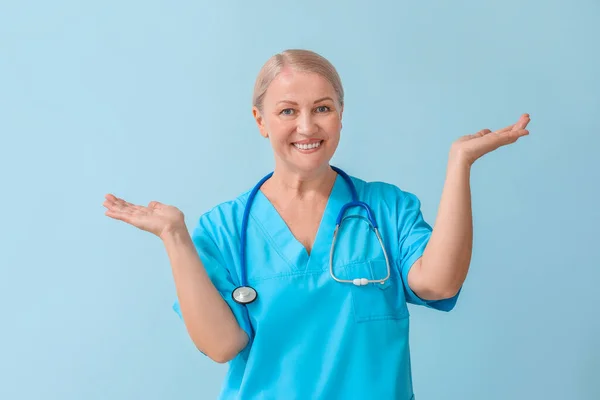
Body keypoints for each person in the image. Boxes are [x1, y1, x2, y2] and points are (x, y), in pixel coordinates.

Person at [103, 49, 530, 399]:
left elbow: (439, 284)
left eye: (322, 108)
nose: (307, 126)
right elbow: (221, 346)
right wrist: (174, 237)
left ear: (340, 114)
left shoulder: (386, 208)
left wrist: (460, 163)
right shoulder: (224, 228)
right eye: (287, 111)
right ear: (260, 121)